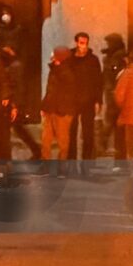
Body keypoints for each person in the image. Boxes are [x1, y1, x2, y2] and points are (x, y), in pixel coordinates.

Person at [68, 32, 103, 172]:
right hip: (72, 100)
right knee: (71, 133)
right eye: (81, 42)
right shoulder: (69, 58)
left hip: (88, 101)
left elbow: (98, 81)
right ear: (76, 43)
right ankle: (71, 164)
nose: (83, 46)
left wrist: (98, 100)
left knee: (88, 134)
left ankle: (86, 166)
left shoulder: (93, 60)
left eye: (86, 43)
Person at [39, 47, 77, 175]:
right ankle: (45, 167)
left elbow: (67, 93)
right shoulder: (55, 70)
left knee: (63, 141)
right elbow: (50, 91)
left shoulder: (67, 71)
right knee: (46, 139)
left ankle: (62, 169)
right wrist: (44, 106)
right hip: (51, 109)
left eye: (54, 54)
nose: (51, 55)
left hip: (62, 111)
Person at [100, 33, 128, 164]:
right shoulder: (112, 56)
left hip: (117, 96)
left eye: (109, 43)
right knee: (115, 127)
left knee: (117, 128)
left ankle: (119, 158)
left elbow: (115, 75)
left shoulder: (119, 57)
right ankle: (117, 157)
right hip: (111, 95)